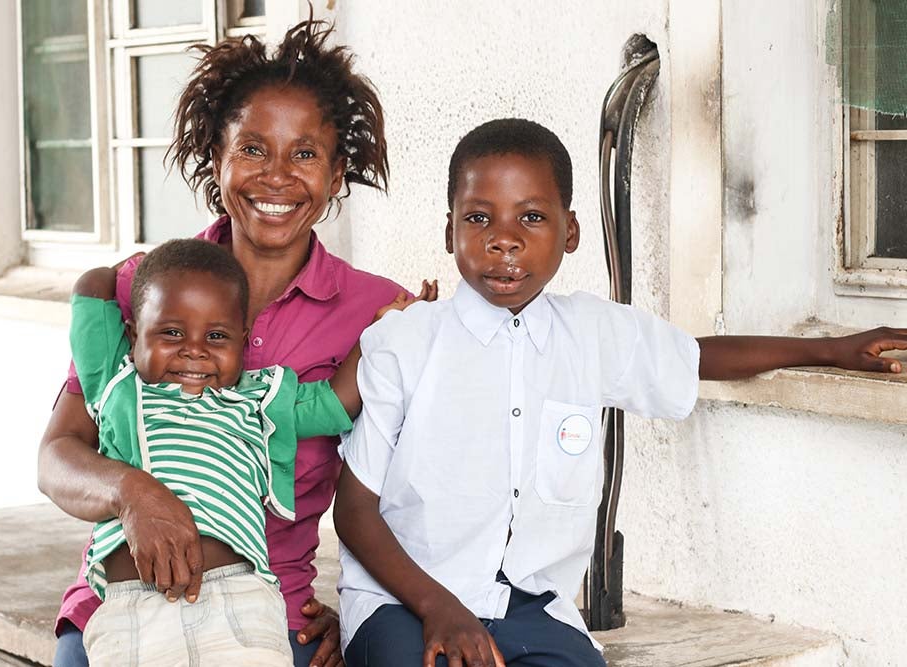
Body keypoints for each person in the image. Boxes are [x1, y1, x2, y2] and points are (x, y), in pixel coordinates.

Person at [332, 118, 907, 667]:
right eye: (479, 219)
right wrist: (438, 607)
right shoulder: (402, 344)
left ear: (571, 231)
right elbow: (354, 511)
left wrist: (830, 350)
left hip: (530, 610)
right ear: (449, 229)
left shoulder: (593, 333)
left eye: (531, 218)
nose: (504, 242)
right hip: (404, 603)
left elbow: (699, 356)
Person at [39, 17, 404, 667]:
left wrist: (369, 610)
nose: (277, 177)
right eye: (254, 149)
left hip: (265, 613)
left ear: (336, 169)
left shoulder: (372, 311)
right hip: (120, 601)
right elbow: (57, 456)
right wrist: (134, 493)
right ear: (217, 157)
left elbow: (403, 491)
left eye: (305, 153)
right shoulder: (147, 288)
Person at [68, 238, 428, 665]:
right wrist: (130, 270)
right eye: (171, 332)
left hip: (239, 603)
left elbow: (336, 401)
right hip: (134, 611)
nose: (194, 349)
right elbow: (90, 293)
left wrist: (387, 329)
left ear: (242, 340)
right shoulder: (117, 389)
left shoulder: (259, 399)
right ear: (132, 336)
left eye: (216, 336)